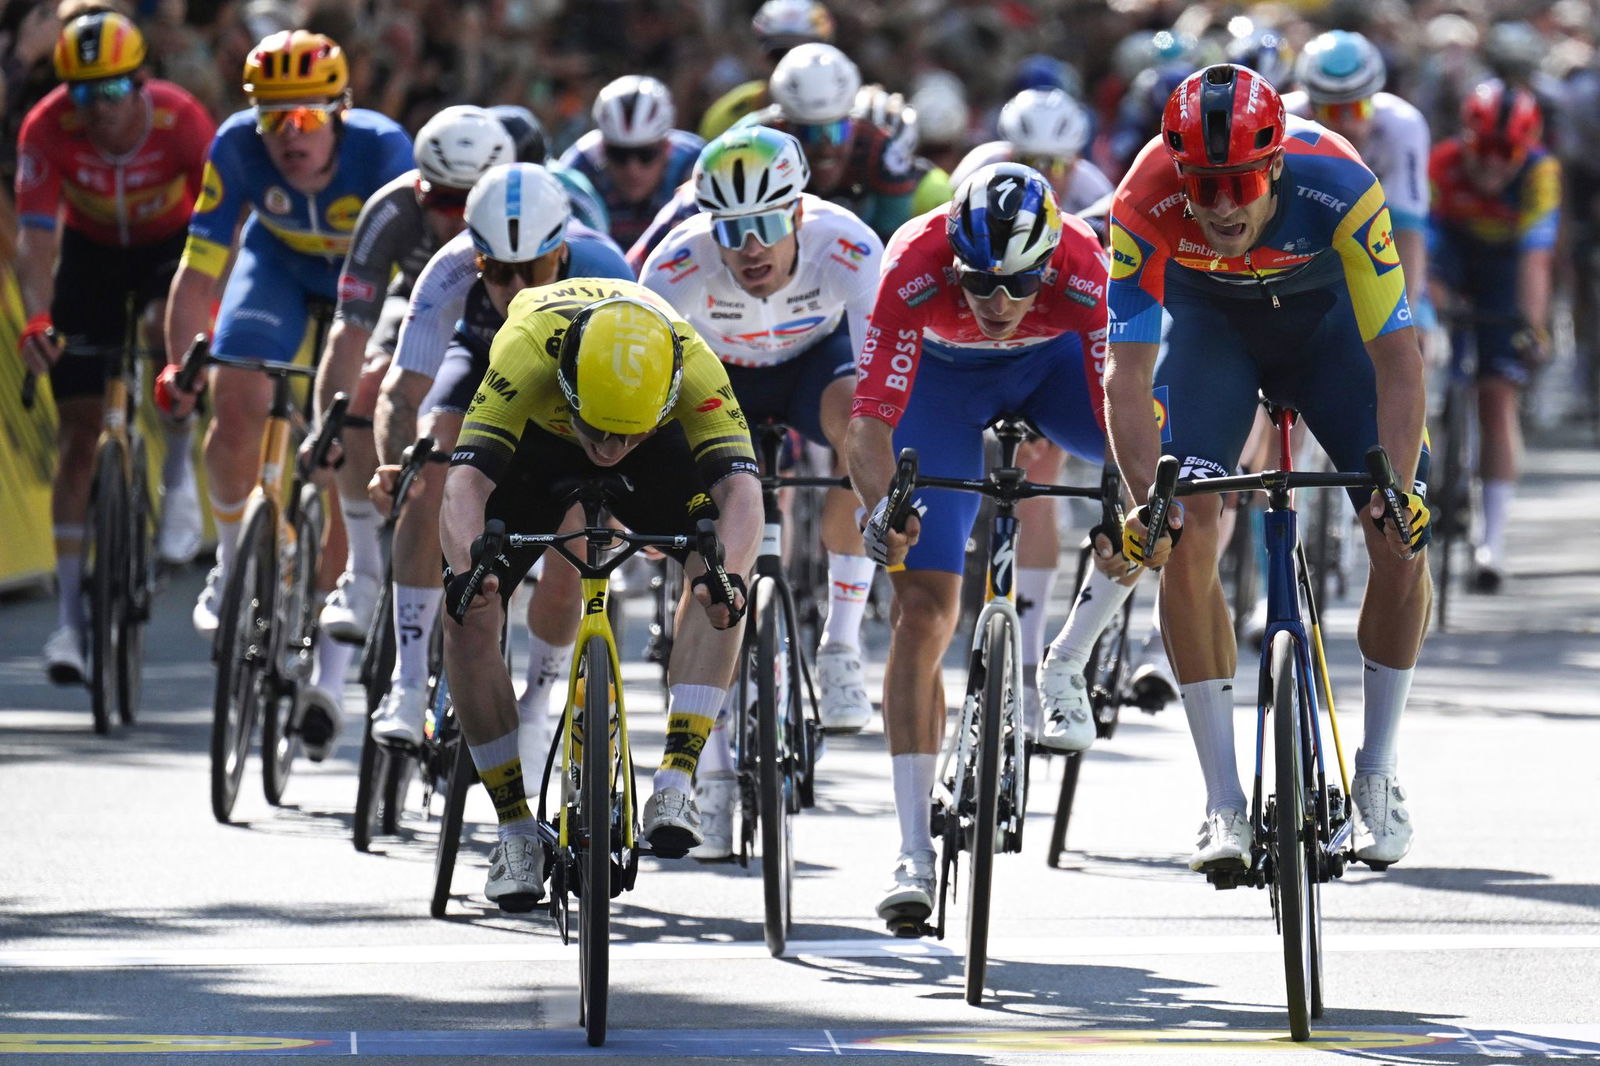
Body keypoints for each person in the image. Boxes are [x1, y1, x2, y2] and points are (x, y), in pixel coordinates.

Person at [1104, 64, 1432, 873]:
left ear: (1275, 165)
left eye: (1239, 184)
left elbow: (1397, 359)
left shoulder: (1342, 185)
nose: (1219, 207)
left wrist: (1398, 483)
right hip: (1213, 336)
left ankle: (1380, 775)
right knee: (1184, 531)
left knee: (1397, 536)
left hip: (1330, 338)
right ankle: (1222, 802)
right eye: (1203, 185)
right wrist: (1151, 503)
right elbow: (1127, 375)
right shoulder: (1141, 202)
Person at [845, 162, 1135, 931]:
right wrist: (881, 514)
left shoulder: (1082, 264)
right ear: (953, 263)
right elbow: (869, 417)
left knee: (1153, 494)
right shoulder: (912, 262)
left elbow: (1126, 407)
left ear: (1049, 264)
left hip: (1053, 377)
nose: (1001, 302)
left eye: (1020, 284)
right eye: (980, 284)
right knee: (921, 612)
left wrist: (1131, 513)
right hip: (939, 388)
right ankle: (911, 850)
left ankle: (1067, 660)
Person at [440, 281, 761, 908]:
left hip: (660, 456)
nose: (610, 451)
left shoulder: (692, 363)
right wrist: (468, 574)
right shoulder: (528, 350)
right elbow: (465, 485)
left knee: (720, 580)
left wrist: (726, 576)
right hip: (538, 443)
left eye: (625, 435)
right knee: (469, 614)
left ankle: (676, 777)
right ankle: (513, 829)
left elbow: (741, 495)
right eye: (599, 430)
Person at [156, 30, 412, 761]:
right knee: (236, 394)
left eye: (302, 119)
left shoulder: (384, 150)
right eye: (273, 119)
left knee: (344, 449)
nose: (285, 137)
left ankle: (327, 677)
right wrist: (181, 369)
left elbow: (410, 277)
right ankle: (234, 561)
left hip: (367, 287)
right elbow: (199, 270)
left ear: (339, 112)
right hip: (278, 268)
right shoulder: (235, 147)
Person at [640, 125, 884, 858]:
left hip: (816, 367)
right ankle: (705, 772)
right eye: (733, 229)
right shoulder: (675, 264)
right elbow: (648, 396)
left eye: (768, 225)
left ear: (800, 215)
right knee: (710, 553)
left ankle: (841, 646)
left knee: (859, 427)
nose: (750, 247)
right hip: (721, 381)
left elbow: (883, 389)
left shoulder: (849, 246)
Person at [367, 163, 632, 759]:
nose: (514, 288)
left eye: (532, 270)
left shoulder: (609, 273)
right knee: (429, 459)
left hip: (574, 389)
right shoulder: (449, 268)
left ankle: (537, 706)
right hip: (483, 360)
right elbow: (402, 392)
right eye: (497, 271)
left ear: (562, 252)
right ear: (476, 256)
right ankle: (408, 681)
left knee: (582, 534)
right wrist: (394, 466)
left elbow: (640, 393)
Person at [16, 11, 215, 684]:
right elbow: (37, 239)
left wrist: (207, 311)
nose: (94, 110)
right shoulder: (47, 127)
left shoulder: (181, 119)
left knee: (167, 325)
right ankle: (70, 624)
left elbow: (222, 223)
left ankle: (179, 473)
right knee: (77, 442)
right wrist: (37, 318)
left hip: (169, 251)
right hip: (92, 257)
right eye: (80, 93)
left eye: (109, 92)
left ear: (140, 83)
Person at [311, 105, 514, 650]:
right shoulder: (392, 208)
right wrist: (326, 425)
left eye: (464, 204)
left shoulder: (519, 205)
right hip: (418, 305)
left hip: (494, 315)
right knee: (365, 383)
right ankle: (362, 566)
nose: (452, 219)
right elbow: (348, 332)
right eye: (439, 202)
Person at [950, 88, 1119, 703]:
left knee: (1039, 463)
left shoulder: (1093, 187)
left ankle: (1031, 640)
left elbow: (1103, 313)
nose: (1044, 172)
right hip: (985, 335)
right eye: (1031, 157)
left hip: (1060, 329)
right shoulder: (978, 173)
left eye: (1057, 162)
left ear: (1075, 160)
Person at [1429, 80, 1559, 592]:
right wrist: (1427, 307)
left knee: (1497, 397)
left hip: (1506, 267)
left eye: (1508, 153)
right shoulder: (1441, 163)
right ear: (1466, 139)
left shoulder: (1539, 173)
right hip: (1453, 254)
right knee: (1424, 342)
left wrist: (1532, 329)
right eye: (1484, 150)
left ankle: (1492, 543)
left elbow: (1536, 259)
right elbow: (1422, 247)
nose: (1493, 165)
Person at [1285, 31, 1431, 310]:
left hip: (1380, 236)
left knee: (1420, 335)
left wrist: (1408, 313)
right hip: (1305, 245)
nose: (1349, 125)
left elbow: (1408, 230)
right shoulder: (1284, 120)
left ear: (1375, 96)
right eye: (1333, 111)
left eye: (1358, 107)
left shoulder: (1404, 125)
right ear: (1310, 106)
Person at [557, 75, 703, 250]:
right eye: (619, 154)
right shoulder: (577, 169)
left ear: (666, 148)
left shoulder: (695, 164)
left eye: (646, 155)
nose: (632, 169)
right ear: (602, 148)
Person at [698, 0, 836, 142]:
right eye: (780, 54)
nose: (792, 66)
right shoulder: (727, 116)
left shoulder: (849, 113)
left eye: (807, 55)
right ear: (760, 57)